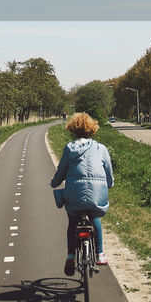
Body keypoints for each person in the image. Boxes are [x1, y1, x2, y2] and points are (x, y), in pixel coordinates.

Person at [50, 111, 114, 276]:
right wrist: (110, 184)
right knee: (95, 216)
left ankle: (71, 256)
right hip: (96, 194)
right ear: (92, 129)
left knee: (72, 220)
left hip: (74, 195)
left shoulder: (69, 148)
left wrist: (54, 183)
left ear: (73, 129)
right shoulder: (102, 148)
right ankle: (99, 254)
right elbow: (108, 173)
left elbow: (61, 171)